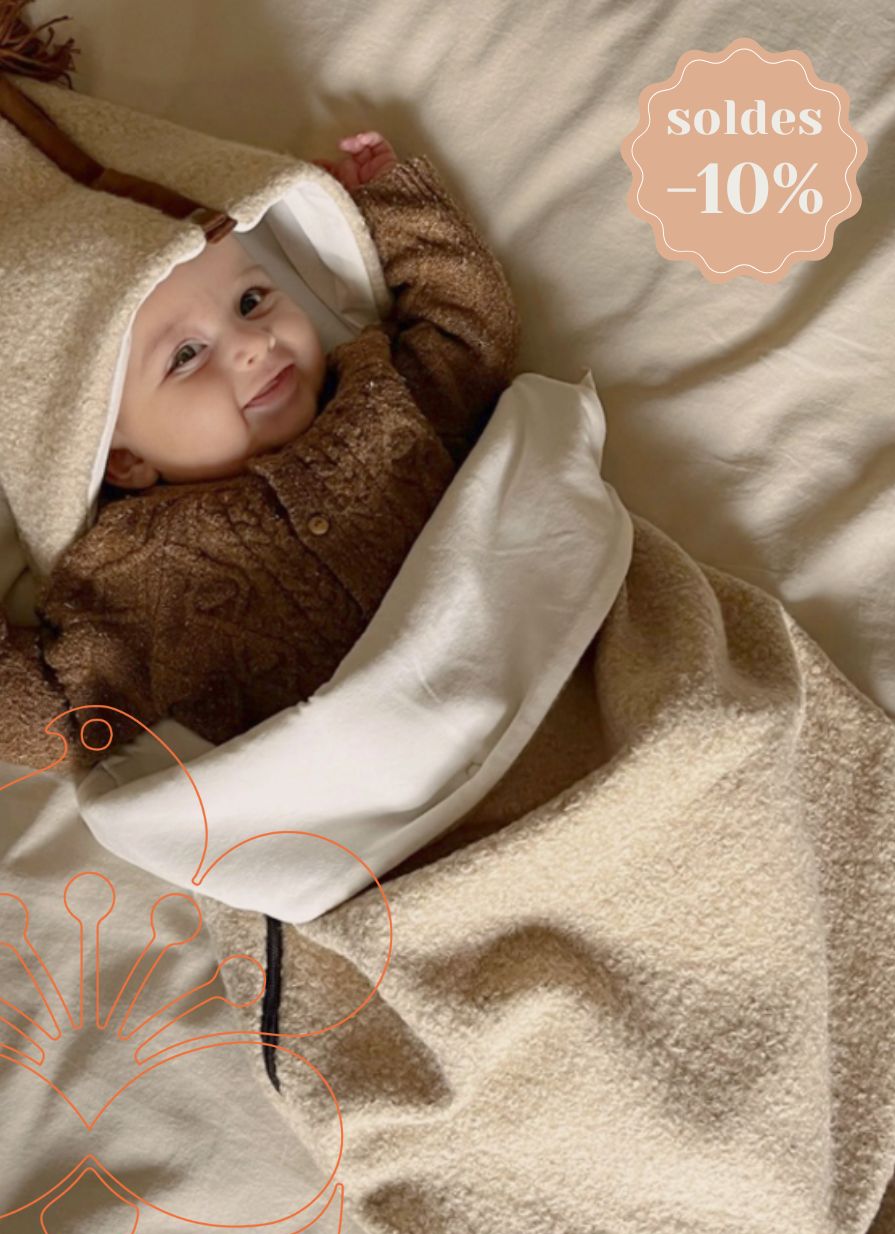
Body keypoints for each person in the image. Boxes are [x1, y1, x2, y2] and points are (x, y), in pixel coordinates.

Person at [0, 131, 521, 772]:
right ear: (122, 459)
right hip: (367, 788)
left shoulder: (381, 391)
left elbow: (472, 332)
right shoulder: (127, 578)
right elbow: (54, 715)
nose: (253, 344)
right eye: (186, 356)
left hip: (521, 673)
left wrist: (390, 205)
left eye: (251, 302)